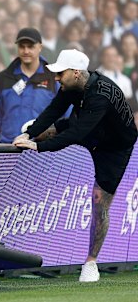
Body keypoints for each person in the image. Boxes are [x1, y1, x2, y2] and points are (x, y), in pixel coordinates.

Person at [13, 49, 138, 282]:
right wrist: (30, 134)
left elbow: (77, 133)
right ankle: (29, 133)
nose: (57, 78)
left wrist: (39, 148)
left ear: (77, 73)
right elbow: (54, 110)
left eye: (61, 73)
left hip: (114, 148)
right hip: (89, 126)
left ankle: (91, 263)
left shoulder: (101, 95)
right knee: (36, 133)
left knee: (99, 202)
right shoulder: (71, 86)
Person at [0, 27, 60, 143]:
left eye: (30, 46)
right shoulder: (3, 79)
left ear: (40, 48)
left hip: (42, 151)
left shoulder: (54, 78)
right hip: (9, 149)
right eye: (22, 46)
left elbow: (65, 114)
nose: (26, 51)